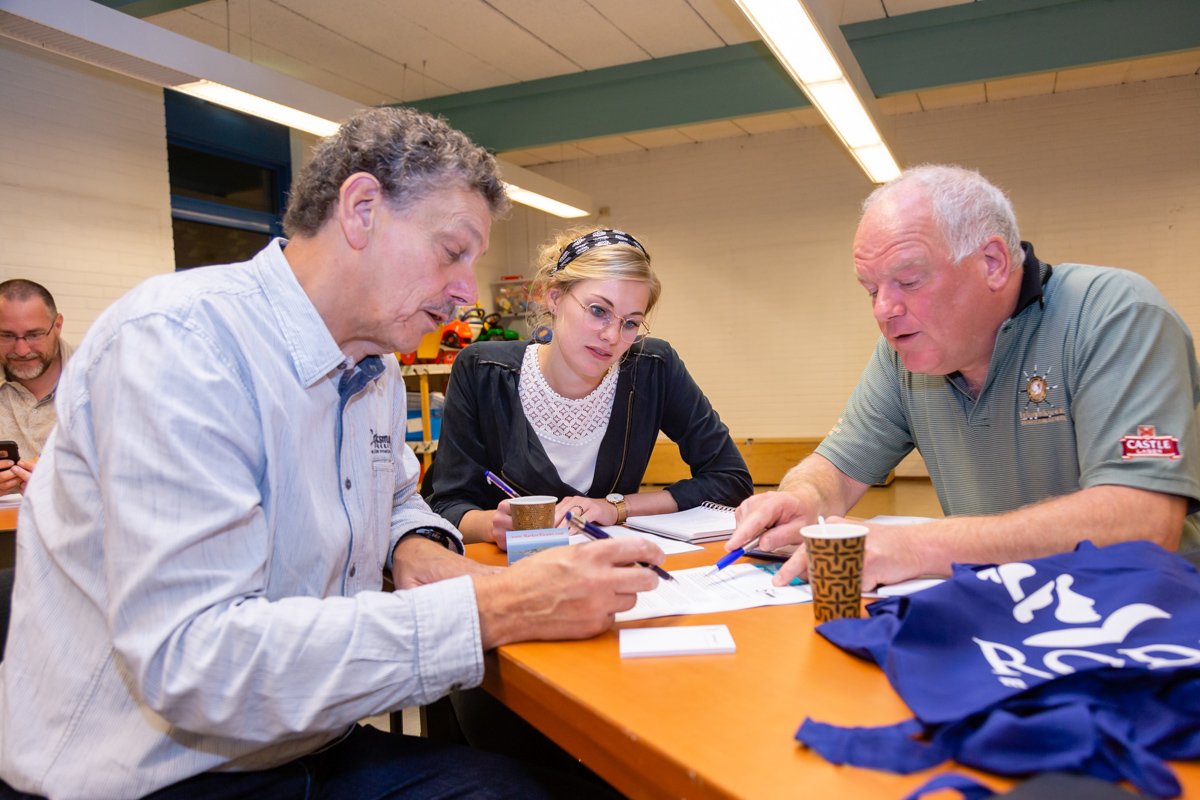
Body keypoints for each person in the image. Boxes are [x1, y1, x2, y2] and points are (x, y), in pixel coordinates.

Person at [0, 107, 666, 800]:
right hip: (151, 774)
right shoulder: (178, 345)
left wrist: (416, 550)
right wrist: (502, 607)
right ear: (362, 209)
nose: (469, 288)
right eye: (453, 251)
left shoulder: (372, 364)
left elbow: (398, 498)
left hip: (304, 743)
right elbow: (195, 664)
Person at [728, 164, 1200, 590]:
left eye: (908, 281)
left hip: (1140, 618)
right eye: (871, 289)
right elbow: (837, 466)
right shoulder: (903, 356)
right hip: (998, 608)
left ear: (992, 263)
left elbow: (1144, 520)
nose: (884, 310)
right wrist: (803, 496)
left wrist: (919, 546)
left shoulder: (1114, 315)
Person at [427, 226, 753, 547]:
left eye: (631, 323)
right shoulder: (483, 371)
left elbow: (729, 481)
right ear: (554, 297)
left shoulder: (653, 368)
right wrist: (489, 526)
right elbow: (446, 507)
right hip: (509, 579)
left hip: (605, 573)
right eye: (599, 311)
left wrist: (615, 508)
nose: (612, 336)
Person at [0, 280, 72, 494]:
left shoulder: (99, 379)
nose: (22, 350)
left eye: (34, 335)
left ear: (57, 325)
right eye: (6, 336)